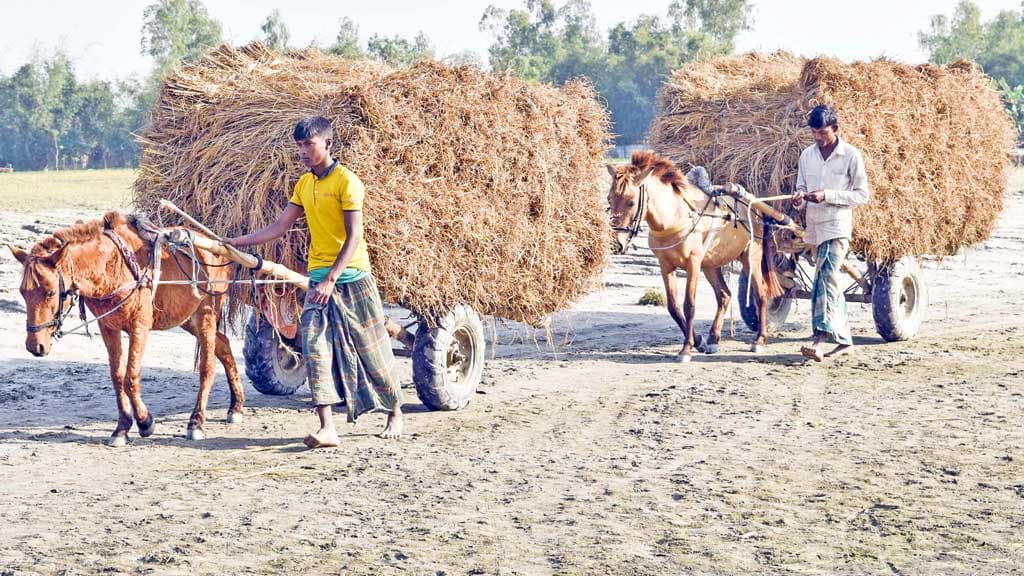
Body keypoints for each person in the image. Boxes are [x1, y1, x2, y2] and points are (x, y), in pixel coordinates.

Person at [224, 115, 403, 446]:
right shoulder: (304, 185)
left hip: (353, 277)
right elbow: (279, 226)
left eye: (309, 144)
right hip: (317, 278)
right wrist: (239, 242)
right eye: (299, 145)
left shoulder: (347, 182)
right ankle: (327, 428)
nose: (303, 151)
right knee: (315, 348)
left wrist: (331, 279)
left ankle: (394, 409)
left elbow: (354, 236)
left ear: (327, 144)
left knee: (372, 349)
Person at [792, 105, 870, 362]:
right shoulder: (806, 155)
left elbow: (861, 195)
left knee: (825, 277)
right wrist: (799, 200)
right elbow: (801, 189)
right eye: (814, 132)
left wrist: (828, 195)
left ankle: (820, 339)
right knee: (830, 281)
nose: (818, 137)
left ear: (835, 129)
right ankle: (845, 341)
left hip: (837, 225)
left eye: (822, 132)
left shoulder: (851, 155)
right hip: (814, 226)